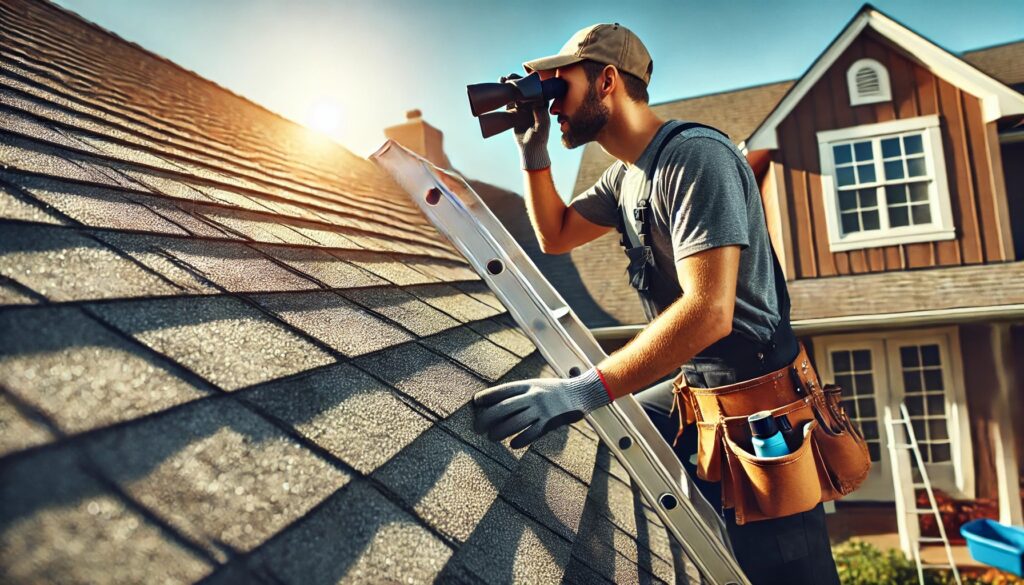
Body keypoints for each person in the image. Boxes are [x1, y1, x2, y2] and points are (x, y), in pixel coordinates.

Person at [470, 23, 841, 585]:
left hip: (756, 403)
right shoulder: (626, 178)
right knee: (610, 439)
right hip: (696, 388)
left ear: (608, 81)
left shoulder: (695, 159)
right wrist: (535, 152)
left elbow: (710, 312)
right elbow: (555, 236)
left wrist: (581, 390)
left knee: (783, 570)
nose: (551, 101)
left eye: (558, 86)